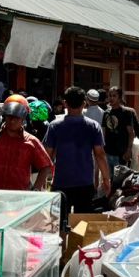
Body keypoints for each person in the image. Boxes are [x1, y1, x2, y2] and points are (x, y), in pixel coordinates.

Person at [42, 87, 110, 223]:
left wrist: (43, 180)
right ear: (84, 103)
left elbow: (47, 156)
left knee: (59, 224)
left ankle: (63, 244)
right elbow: (100, 155)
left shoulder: (55, 126)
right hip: (85, 183)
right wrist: (106, 180)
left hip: (61, 183)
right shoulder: (93, 126)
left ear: (65, 103)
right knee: (83, 225)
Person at [0, 95, 53, 191]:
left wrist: (36, 189)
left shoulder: (32, 142)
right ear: (4, 116)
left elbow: (46, 166)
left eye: (16, 117)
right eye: (9, 116)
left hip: (20, 198)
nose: (12, 120)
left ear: (23, 118)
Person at [103, 86, 139, 174]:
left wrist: (129, 150)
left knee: (120, 181)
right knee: (110, 179)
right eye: (110, 95)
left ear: (119, 97)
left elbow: (131, 133)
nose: (111, 98)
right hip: (108, 152)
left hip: (121, 154)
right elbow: (105, 132)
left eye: (114, 96)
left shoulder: (126, 113)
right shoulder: (106, 113)